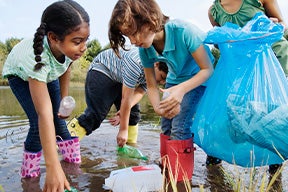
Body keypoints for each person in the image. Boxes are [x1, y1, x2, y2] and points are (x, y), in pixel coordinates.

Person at [108, 0, 214, 183]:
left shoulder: (184, 31)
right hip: (175, 81)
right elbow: (151, 86)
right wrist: (157, 108)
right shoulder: (145, 50)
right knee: (166, 124)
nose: (133, 41)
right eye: (128, 36)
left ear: (149, 22)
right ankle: (167, 168)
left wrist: (181, 90)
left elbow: (208, 69)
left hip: (198, 78)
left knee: (180, 125)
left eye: (133, 33)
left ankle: (180, 180)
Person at [2, 0, 90, 191]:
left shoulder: (69, 51)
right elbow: (43, 114)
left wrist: (63, 103)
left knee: (59, 121)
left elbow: (65, 69)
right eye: (77, 41)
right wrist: (52, 166)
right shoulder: (36, 60)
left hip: (48, 72)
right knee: (37, 122)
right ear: (53, 37)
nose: (83, 48)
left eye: (85, 40)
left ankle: (72, 165)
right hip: (21, 74)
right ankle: (29, 177)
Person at [208, 0, 288, 171]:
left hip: (271, 62)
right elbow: (220, 43)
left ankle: (275, 164)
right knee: (229, 109)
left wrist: (268, 27)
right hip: (241, 67)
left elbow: (282, 24)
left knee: (272, 113)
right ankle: (214, 162)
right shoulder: (213, 11)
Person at [67, 47, 168, 147]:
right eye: (162, 77)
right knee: (96, 115)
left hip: (120, 79)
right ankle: (63, 141)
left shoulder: (152, 74)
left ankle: (129, 148)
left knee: (133, 114)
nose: (162, 83)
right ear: (156, 64)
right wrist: (123, 130)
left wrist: (124, 110)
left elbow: (140, 92)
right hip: (103, 70)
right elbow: (126, 98)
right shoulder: (136, 62)